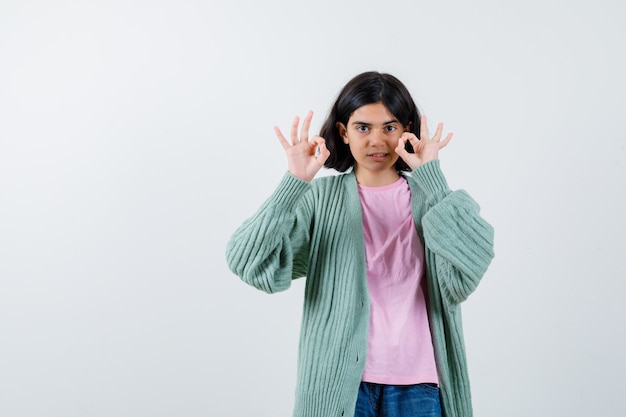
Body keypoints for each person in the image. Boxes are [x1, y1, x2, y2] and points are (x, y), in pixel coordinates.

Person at [225, 71, 495, 417]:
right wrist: (294, 183)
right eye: (363, 127)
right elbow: (249, 263)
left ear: (406, 130)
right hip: (338, 387)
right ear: (343, 132)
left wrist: (434, 180)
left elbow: (468, 270)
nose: (376, 141)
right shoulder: (320, 201)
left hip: (420, 386)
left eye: (390, 127)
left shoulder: (432, 202)